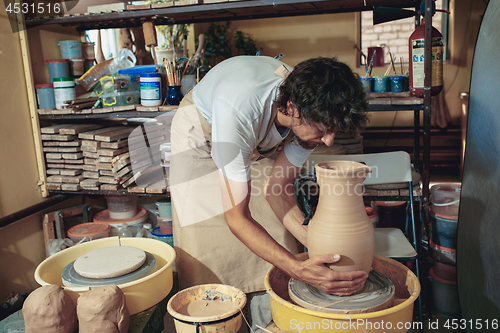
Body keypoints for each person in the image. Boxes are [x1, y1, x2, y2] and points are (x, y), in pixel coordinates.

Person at [169, 56, 370, 331]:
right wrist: (298, 269)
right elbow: (237, 219)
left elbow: (276, 190)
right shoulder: (240, 112)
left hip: (255, 135)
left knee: (281, 237)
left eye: (333, 130)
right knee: (207, 249)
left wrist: (318, 243)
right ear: (291, 107)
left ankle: (267, 321)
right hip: (203, 134)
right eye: (324, 130)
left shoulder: (313, 111)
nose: (329, 140)